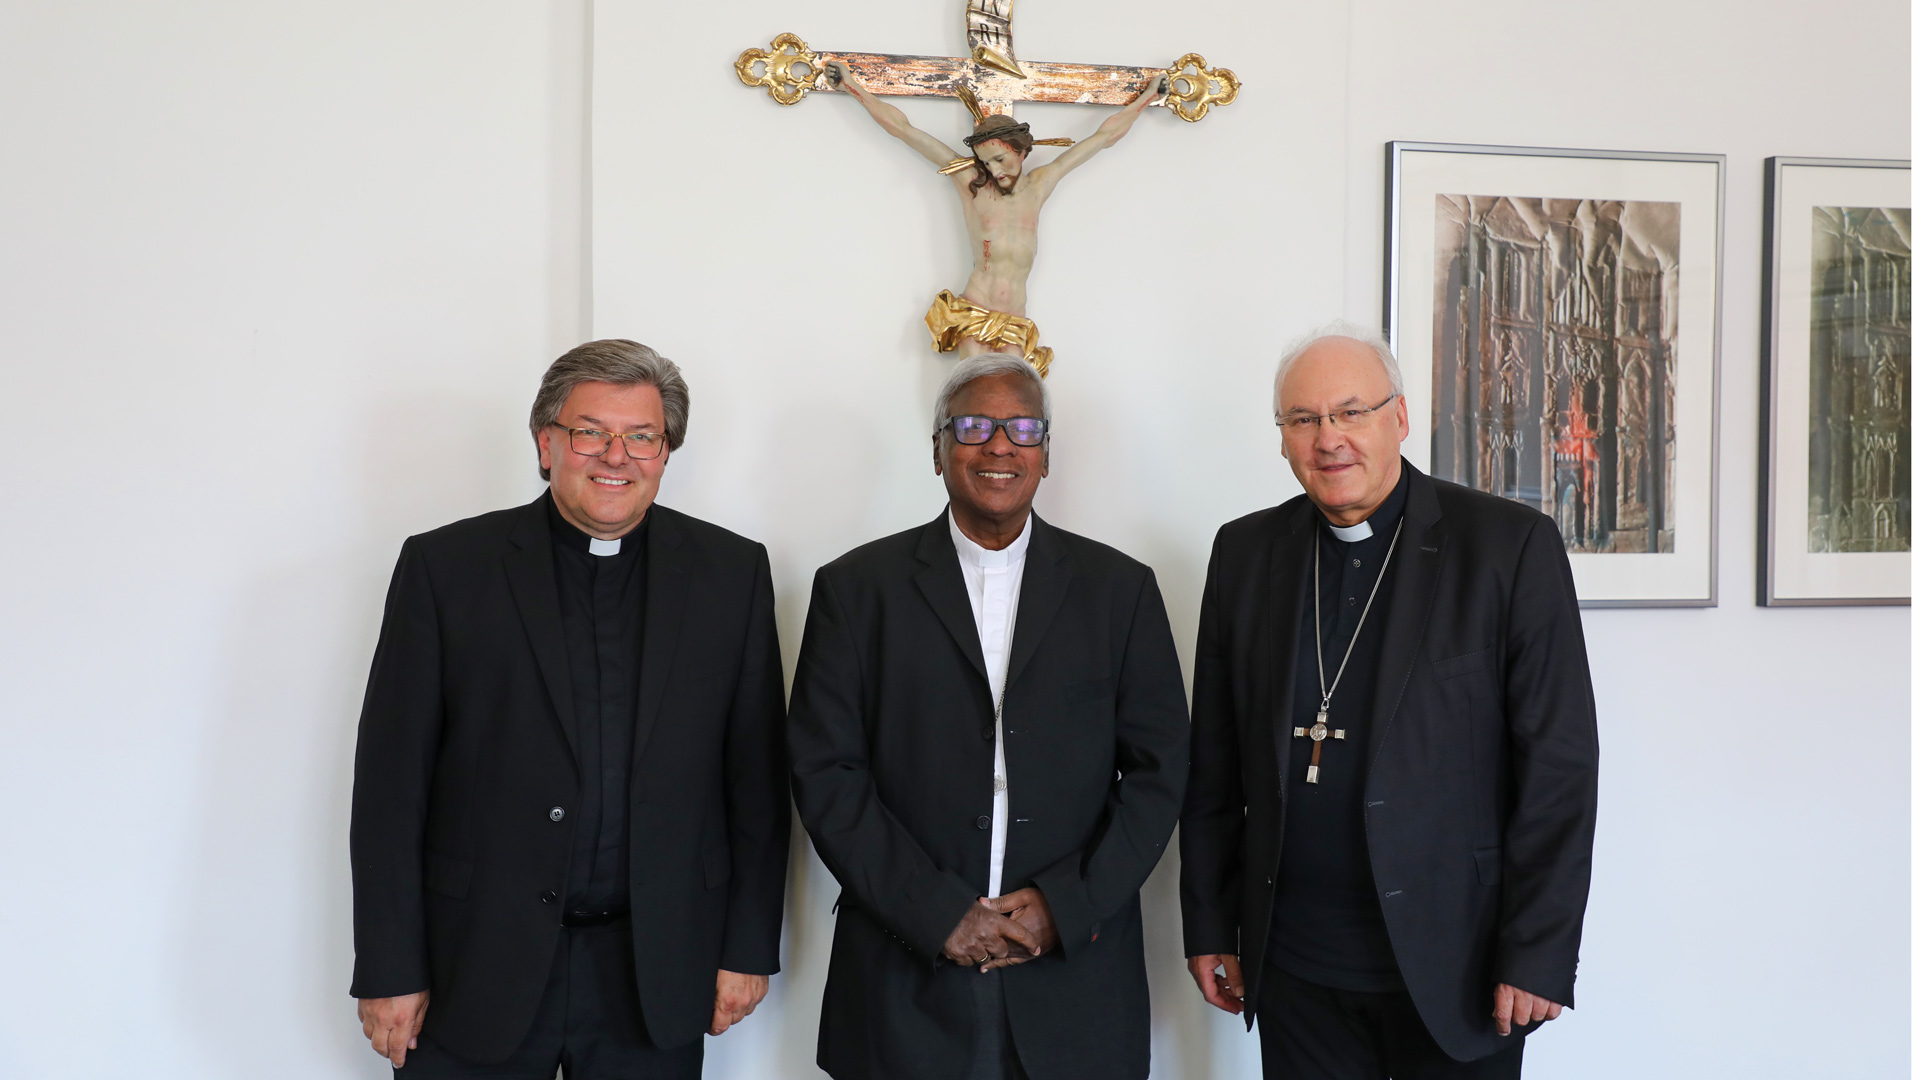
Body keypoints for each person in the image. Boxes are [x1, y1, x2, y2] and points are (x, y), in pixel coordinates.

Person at [348, 340, 790, 1077]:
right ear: (545, 443)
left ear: (666, 452)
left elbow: (757, 785)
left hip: (654, 969)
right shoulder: (446, 569)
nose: (616, 456)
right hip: (473, 963)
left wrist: (746, 950)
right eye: (591, 432)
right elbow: (391, 788)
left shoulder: (731, 574)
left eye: (641, 436)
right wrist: (390, 965)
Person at [1179, 324, 1599, 1079]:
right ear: (1282, 438)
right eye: (1303, 419)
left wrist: (1537, 951)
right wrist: (1210, 922)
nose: (1328, 438)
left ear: (1398, 418)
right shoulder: (1244, 554)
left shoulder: (1506, 547)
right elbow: (1213, 761)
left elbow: (1559, 768)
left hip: (1459, 965)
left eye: (1351, 412)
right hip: (1296, 967)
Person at [788, 354, 1190, 1080]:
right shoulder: (856, 590)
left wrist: (1066, 906)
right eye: (973, 426)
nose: (999, 446)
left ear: (1046, 454)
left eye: (1023, 429)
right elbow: (826, 775)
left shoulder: (1119, 591)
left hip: (1076, 982)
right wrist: (935, 910)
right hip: (903, 980)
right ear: (938, 449)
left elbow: (1159, 775)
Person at [825, 60, 1168, 375]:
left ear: (1021, 151)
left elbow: (1103, 138)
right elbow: (903, 130)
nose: (993, 170)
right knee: (971, 388)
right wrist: (851, 85)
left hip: (1015, 317)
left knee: (1013, 391)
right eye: (986, 162)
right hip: (975, 310)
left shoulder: (1041, 184)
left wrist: (1148, 97)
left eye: (1000, 160)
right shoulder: (970, 184)